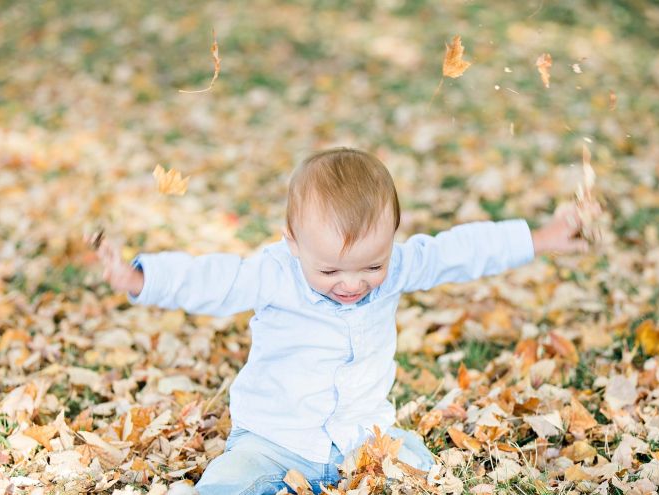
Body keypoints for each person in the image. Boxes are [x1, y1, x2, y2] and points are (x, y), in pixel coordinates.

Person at [89, 147, 597, 494]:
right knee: (227, 484)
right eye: (329, 269)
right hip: (273, 440)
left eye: (371, 267)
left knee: (422, 472)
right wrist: (140, 279)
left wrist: (541, 237)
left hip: (364, 436)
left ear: (393, 239)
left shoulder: (397, 266)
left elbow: (458, 251)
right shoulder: (273, 273)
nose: (351, 284)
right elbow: (211, 280)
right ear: (293, 242)